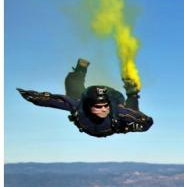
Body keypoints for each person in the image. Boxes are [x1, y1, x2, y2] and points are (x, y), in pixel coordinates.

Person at [17, 58, 153, 137]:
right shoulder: (78, 104)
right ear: (88, 106)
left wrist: (138, 126)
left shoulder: (117, 111)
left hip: (115, 97)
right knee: (73, 87)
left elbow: (146, 121)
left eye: (105, 105)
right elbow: (53, 101)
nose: (104, 109)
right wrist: (34, 97)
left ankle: (132, 91)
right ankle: (81, 69)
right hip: (89, 96)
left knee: (129, 112)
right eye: (99, 107)